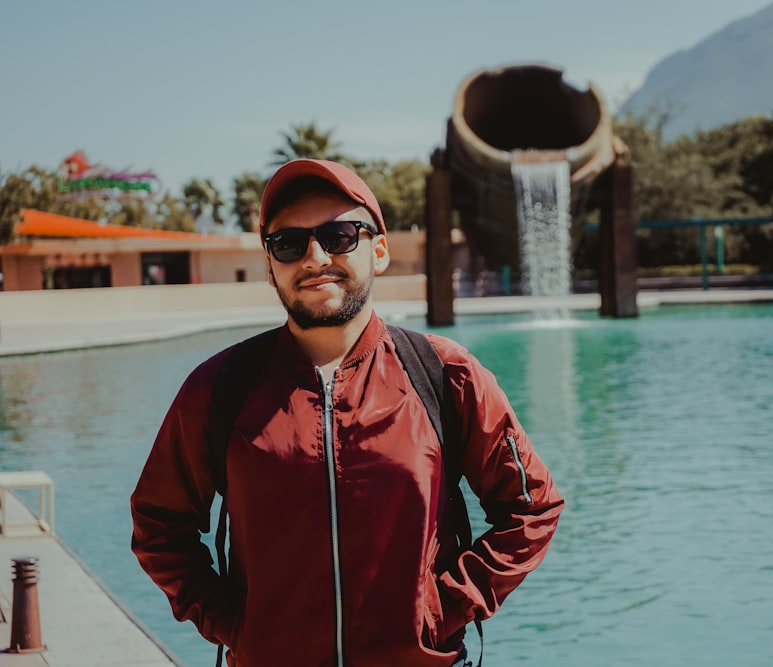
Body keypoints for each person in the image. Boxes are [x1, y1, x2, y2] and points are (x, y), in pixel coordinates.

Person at [130, 159, 564, 667]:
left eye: (339, 235)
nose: (315, 257)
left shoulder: (443, 373)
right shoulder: (220, 387)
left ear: (378, 250)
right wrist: (233, 624)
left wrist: (441, 609)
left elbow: (532, 508)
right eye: (289, 243)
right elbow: (158, 524)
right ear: (271, 267)